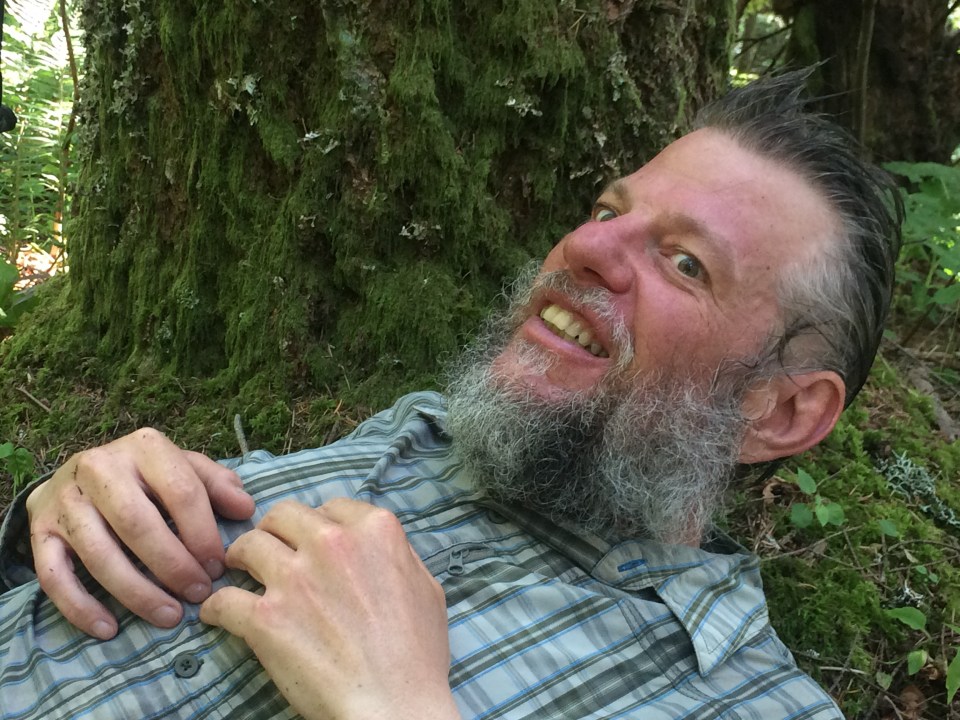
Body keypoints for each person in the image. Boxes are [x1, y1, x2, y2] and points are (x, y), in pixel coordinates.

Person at [0, 70, 901, 719]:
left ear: (780, 411)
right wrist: (61, 510)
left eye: (686, 262)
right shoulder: (424, 430)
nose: (586, 247)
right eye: (606, 210)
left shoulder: (750, 699)